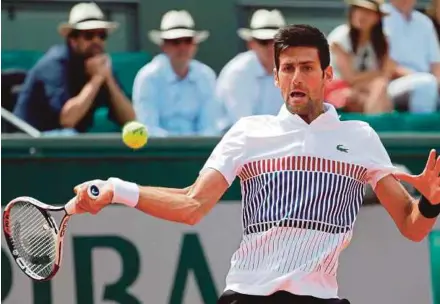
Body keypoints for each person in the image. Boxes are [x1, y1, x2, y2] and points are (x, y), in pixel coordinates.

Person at [72, 25, 440, 304]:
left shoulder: (360, 137)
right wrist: (117, 189)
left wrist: (431, 201)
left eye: (307, 68)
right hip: (248, 295)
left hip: (320, 296)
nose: (296, 77)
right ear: (277, 77)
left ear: (328, 76)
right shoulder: (248, 133)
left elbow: (412, 227)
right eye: (288, 68)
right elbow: (191, 205)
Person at [13, 2, 135, 133]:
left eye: (102, 35)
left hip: (64, 144)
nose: (97, 41)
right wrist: (97, 79)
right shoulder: (53, 65)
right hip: (27, 142)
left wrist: (109, 79)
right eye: (89, 35)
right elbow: (67, 120)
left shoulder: (100, 66)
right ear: (73, 39)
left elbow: (130, 119)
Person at [132, 10, 221, 137]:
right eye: (175, 42)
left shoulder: (206, 76)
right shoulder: (148, 77)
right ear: (163, 46)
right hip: (158, 153)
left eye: (188, 41)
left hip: (200, 152)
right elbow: (148, 127)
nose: (182, 47)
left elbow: (210, 126)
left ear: (195, 45)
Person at [216, 9, 286, 131]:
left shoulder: (291, 72)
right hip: (238, 144)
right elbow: (244, 125)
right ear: (251, 44)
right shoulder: (237, 73)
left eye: (276, 42)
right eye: (263, 42)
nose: (271, 47)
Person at [327, 0, 394, 113]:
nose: (360, 15)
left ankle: (373, 124)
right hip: (337, 89)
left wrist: (376, 77)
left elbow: (387, 73)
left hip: (364, 90)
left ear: (377, 17)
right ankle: (375, 125)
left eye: (367, 12)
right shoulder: (341, 37)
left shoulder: (383, 39)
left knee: (380, 87)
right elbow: (349, 78)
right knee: (378, 90)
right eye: (357, 10)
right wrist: (376, 74)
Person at [382, 0, 440, 112]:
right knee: (426, 84)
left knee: (429, 83)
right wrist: (419, 76)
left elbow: (436, 63)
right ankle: (421, 128)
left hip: (427, 80)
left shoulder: (424, 22)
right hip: (391, 83)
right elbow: (385, 64)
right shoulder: (380, 17)